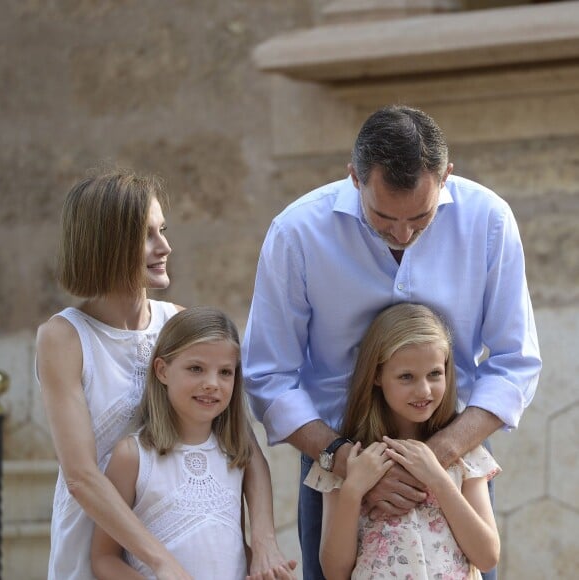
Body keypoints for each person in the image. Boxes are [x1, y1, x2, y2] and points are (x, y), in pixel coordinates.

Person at [241, 104, 541, 580]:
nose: (402, 234)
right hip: (335, 468)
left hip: (453, 464)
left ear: (447, 176)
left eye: (420, 219)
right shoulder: (296, 234)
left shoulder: (490, 221)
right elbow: (268, 375)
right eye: (383, 218)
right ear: (354, 179)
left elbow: (515, 361)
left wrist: (438, 460)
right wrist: (348, 464)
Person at [36, 169, 293, 580]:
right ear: (108, 244)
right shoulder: (63, 337)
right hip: (99, 552)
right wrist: (162, 565)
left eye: (164, 230)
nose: (166, 246)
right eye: (149, 235)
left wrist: (261, 543)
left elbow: (245, 449)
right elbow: (82, 476)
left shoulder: (179, 322)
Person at [90, 306, 296, 579]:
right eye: (196, 368)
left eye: (225, 372)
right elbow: (104, 558)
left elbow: (229, 550)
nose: (212, 383)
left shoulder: (233, 456)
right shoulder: (133, 456)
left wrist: (268, 570)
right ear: (162, 371)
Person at [305, 303, 501, 579]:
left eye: (435, 374)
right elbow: (335, 572)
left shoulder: (466, 455)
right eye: (406, 377)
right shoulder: (347, 458)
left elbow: (487, 556)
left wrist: (438, 478)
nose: (424, 390)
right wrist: (353, 489)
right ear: (376, 376)